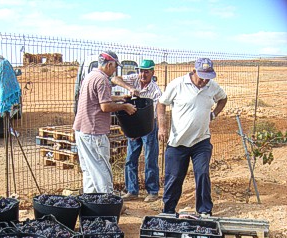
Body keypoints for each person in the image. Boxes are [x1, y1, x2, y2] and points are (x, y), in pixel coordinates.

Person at [157, 58, 227, 216]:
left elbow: (223, 98)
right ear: (193, 71)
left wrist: (214, 114)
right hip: (178, 143)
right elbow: (161, 104)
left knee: (202, 174)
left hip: (201, 141)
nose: (204, 80)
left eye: (207, 77)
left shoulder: (212, 86)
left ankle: (204, 211)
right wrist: (162, 127)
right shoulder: (178, 84)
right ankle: (168, 211)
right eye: (201, 76)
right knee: (174, 178)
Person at [73, 50, 136, 193]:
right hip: (94, 132)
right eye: (115, 66)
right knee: (102, 170)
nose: (115, 70)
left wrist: (119, 98)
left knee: (89, 170)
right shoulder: (103, 80)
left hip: (82, 130)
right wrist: (125, 106)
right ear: (109, 64)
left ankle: (91, 203)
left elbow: (97, 98)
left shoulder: (90, 76)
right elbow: (105, 106)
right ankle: (108, 204)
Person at [111, 59, 162, 202]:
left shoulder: (155, 91)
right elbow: (115, 78)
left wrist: (142, 129)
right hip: (134, 124)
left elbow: (156, 112)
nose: (143, 74)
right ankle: (132, 191)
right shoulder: (134, 79)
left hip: (148, 126)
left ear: (152, 72)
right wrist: (130, 88)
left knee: (150, 158)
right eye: (141, 71)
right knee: (130, 158)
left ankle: (152, 191)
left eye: (146, 71)